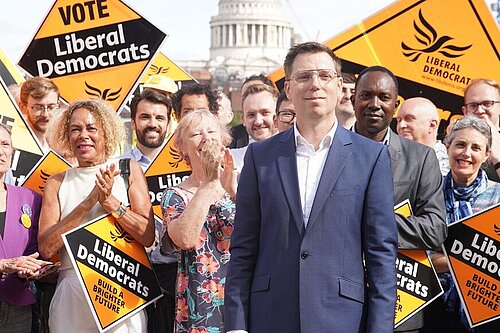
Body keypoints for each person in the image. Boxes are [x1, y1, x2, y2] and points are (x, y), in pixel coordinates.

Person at [225, 42, 398, 333]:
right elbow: (243, 248)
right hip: (270, 316)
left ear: (340, 85)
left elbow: (381, 255)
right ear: (289, 89)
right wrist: (236, 326)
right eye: (304, 77)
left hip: (342, 318)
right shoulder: (261, 157)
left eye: (324, 76)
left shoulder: (371, 157)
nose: (314, 85)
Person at [37, 99, 155, 333]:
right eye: (75, 129)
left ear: (106, 131)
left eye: (91, 128)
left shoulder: (128, 169)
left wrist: (111, 202)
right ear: (66, 136)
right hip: (72, 295)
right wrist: (89, 202)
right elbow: (46, 247)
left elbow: (148, 235)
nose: (83, 135)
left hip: (121, 290)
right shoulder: (57, 182)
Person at [351, 65, 447, 332]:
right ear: (352, 100)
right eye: (366, 95)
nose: (374, 104)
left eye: (383, 97)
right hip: (339, 306)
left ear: (395, 104)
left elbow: (435, 230)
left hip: (400, 307)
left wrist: (375, 219)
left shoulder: (420, 159)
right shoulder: (328, 152)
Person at [160, 110, 237, 332]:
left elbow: (265, 233)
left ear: (223, 140)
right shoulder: (174, 195)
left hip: (242, 299)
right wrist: (209, 183)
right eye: (196, 133)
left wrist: (234, 191)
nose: (206, 138)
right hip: (199, 307)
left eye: (212, 131)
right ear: (183, 148)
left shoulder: (242, 184)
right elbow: (185, 238)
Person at [425, 116, 500, 333]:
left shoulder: (497, 197)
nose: (466, 153)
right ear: (447, 147)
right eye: (460, 144)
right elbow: (419, 257)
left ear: (486, 154)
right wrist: (471, 258)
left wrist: (449, 256)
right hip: (434, 308)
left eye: (476, 147)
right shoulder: (429, 194)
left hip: (488, 315)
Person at [121, 89, 176, 333]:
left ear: (169, 122)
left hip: (176, 273)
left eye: (159, 118)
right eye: (145, 117)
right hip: (133, 271)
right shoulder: (119, 167)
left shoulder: (186, 165)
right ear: (133, 122)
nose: (152, 124)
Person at [0, 123, 51, 333]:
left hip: (18, 309)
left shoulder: (30, 199)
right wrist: (3, 265)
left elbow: (35, 250)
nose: (0, 151)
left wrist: (32, 269)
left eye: (4, 144)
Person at [230, 83, 278, 173]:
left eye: (265, 113)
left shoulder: (295, 153)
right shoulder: (232, 160)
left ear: (277, 116)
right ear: (243, 120)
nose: (258, 121)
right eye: (251, 115)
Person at [397, 97, 449, 176]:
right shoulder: (389, 156)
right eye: (399, 120)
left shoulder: (451, 165)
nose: (401, 125)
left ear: (432, 125)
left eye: (409, 119)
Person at [461, 79, 500, 183]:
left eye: (487, 104)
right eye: (473, 105)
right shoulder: (452, 142)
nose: (480, 111)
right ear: (465, 111)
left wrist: (497, 158)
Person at [229, 74, 275, 149]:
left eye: (265, 113)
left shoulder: (293, 145)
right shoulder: (231, 145)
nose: (258, 121)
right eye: (246, 95)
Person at [18, 77, 60, 152]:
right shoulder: (15, 144)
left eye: (51, 107)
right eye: (38, 107)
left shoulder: (62, 145)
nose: (45, 114)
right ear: (23, 107)